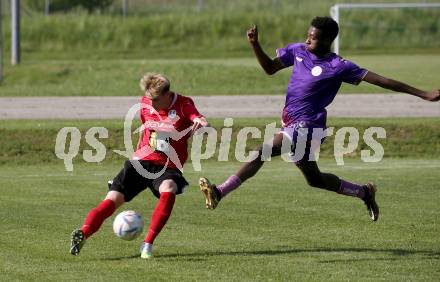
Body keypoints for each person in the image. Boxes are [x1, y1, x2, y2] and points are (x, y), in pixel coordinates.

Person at [199, 17, 440, 221]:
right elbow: (270, 69)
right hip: (291, 122)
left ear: (327, 40)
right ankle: (364, 192)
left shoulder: (338, 66)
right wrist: (255, 45)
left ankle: (220, 191)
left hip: (310, 125)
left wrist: (423, 94)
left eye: (312, 38)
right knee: (315, 179)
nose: (307, 40)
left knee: (262, 150)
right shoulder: (299, 51)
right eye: (307, 35)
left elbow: (383, 81)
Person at [70, 73, 209, 259]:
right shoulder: (146, 103)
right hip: (140, 162)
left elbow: (196, 116)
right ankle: (83, 234)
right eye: (149, 99)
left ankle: (147, 244)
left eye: (156, 100)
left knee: (169, 188)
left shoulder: (184, 105)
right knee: (112, 199)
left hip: (167, 167)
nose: (150, 104)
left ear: (168, 95)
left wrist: (201, 122)